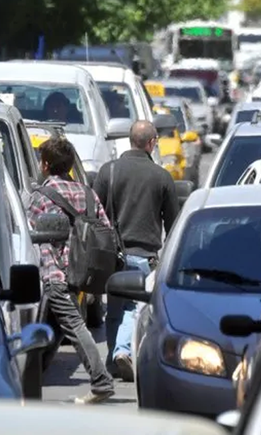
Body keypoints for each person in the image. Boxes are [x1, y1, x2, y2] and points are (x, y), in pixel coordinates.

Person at [26, 136, 115, 404]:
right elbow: (106, 229)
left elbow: (27, 232)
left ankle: (101, 381)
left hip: (54, 272)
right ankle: (32, 378)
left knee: (74, 325)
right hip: (81, 271)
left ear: (44, 164)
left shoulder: (40, 197)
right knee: (55, 325)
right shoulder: (88, 193)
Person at [94, 120, 180, 382]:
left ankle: (113, 359)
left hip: (111, 257)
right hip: (144, 257)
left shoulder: (107, 172)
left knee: (115, 309)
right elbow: (173, 223)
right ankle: (123, 352)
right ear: (152, 143)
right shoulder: (161, 177)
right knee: (133, 308)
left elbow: (95, 215)